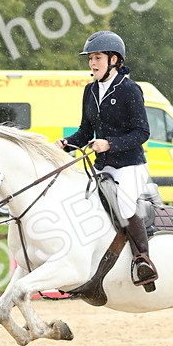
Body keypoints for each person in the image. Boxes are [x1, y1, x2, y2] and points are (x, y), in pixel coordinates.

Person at [58, 30, 158, 288]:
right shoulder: (90, 90)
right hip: (102, 167)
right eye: (90, 58)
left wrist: (110, 143)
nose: (92, 63)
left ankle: (142, 260)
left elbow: (142, 133)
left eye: (98, 58)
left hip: (130, 166)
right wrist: (64, 144)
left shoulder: (130, 89)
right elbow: (84, 132)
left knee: (124, 205)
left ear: (114, 60)